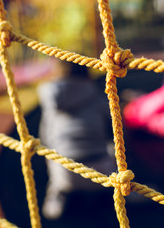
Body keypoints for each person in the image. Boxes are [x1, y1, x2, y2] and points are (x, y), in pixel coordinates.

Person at [37, 61, 116, 221]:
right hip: (100, 172)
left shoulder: (52, 102)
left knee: (54, 152)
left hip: (64, 172)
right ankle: (123, 192)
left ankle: (57, 196)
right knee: (114, 149)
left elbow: (45, 136)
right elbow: (115, 134)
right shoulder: (97, 97)